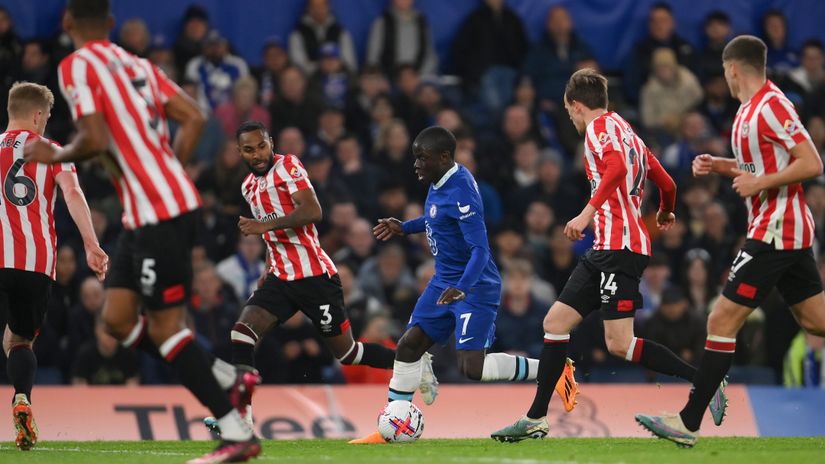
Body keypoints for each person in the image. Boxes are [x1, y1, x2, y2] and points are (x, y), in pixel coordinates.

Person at [22, 1, 260, 462]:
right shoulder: (138, 64)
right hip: (145, 213)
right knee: (115, 318)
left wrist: (52, 155)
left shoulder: (75, 65)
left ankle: (235, 432)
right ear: (111, 24)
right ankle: (231, 378)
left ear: (67, 22)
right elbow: (195, 116)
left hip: (159, 214)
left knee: (168, 329)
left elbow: (91, 139)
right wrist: (169, 167)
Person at [491, 69, 727, 442]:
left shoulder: (599, 132)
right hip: (611, 248)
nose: (570, 117)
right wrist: (666, 209)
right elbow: (668, 182)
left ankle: (705, 381)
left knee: (619, 344)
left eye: (570, 110)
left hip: (619, 249)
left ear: (576, 104)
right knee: (555, 323)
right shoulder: (628, 132)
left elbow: (615, 167)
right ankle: (536, 417)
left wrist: (586, 212)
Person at [637, 35, 825, 448]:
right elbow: (758, 165)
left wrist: (762, 182)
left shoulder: (773, 105)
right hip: (777, 228)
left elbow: (812, 162)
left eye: (724, 71)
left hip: (776, 229)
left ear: (733, 69)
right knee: (816, 322)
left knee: (720, 320)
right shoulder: (748, 111)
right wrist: (719, 164)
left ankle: (688, 422)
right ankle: (688, 420)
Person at [350, 126, 569, 444]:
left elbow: (481, 250)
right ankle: (393, 426)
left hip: (475, 284)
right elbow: (436, 217)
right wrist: (405, 227)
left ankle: (556, 369)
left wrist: (464, 287)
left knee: (472, 368)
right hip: (445, 279)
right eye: (415, 158)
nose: (416, 165)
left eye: (421, 158)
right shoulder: (439, 181)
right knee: (409, 344)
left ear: (443, 157)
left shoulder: (462, 191)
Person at [203, 120, 398, 433]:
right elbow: (272, 235)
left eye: (262, 145)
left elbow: (312, 211)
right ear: (239, 152)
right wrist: (268, 266)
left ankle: (412, 362)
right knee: (241, 334)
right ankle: (241, 418)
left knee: (346, 353)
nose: (257, 154)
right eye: (249, 149)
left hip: (315, 276)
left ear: (271, 142)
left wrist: (264, 227)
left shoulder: (289, 166)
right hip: (281, 278)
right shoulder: (248, 187)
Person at [1, 81, 107, 450]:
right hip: (34, 263)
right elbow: (73, 194)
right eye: (45, 117)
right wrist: (91, 243)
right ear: (37, 114)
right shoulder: (54, 152)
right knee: (20, 340)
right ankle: (22, 397)